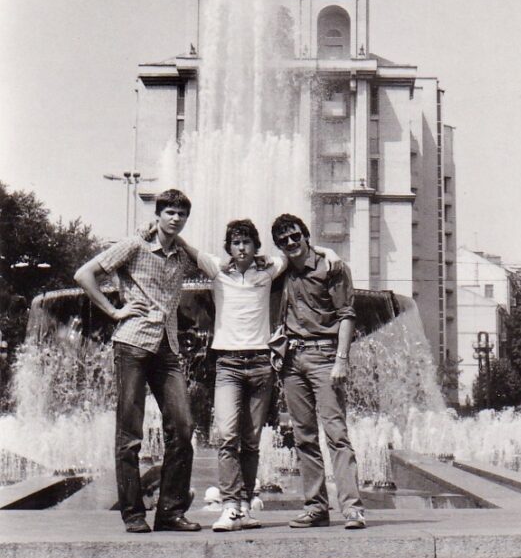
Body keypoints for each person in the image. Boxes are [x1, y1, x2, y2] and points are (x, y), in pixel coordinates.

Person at [177, 220, 340, 532]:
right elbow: (186, 247)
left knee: (251, 442)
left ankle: (244, 506)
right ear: (229, 247)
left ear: (255, 246)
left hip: (261, 364)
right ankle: (229, 506)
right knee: (227, 436)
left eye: (247, 243)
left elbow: (298, 250)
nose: (241, 248)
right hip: (227, 364)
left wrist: (328, 251)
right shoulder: (217, 269)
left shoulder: (269, 269)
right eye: (236, 243)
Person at [74, 189, 201, 533]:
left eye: (182, 214)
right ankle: (133, 514)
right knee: (130, 434)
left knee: (183, 428)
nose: (175, 218)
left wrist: (182, 241)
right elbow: (84, 274)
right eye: (170, 212)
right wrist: (114, 311)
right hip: (132, 343)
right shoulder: (134, 245)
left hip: (167, 348)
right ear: (157, 215)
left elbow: (211, 266)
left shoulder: (181, 255)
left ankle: (170, 512)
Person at [271, 213, 365, 529]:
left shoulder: (332, 267)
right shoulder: (282, 270)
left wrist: (341, 360)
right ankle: (316, 507)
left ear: (306, 236)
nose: (291, 243)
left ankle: (352, 508)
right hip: (292, 360)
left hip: (325, 356)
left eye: (295, 236)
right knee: (303, 436)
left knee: (336, 434)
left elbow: (346, 314)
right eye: (283, 240)